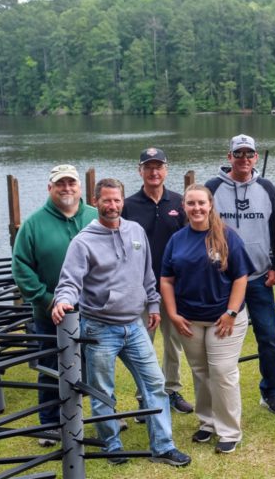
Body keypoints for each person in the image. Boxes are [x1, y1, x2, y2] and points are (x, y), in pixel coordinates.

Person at [52, 178, 191, 467]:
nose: (112, 205)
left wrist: (152, 303)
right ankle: (112, 446)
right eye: (106, 200)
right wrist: (63, 301)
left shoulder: (135, 231)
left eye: (117, 200)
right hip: (100, 327)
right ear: (95, 201)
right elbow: (69, 281)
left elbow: (147, 276)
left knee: (155, 383)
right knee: (104, 391)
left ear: (123, 201)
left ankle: (163, 446)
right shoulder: (83, 241)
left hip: (135, 324)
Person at [159, 184, 255, 454]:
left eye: (201, 203)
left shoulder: (227, 237)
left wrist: (231, 313)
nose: (197, 208)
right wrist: (173, 314)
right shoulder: (177, 239)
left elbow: (240, 277)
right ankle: (207, 422)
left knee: (222, 372)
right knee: (201, 373)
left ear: (210, 204)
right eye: (191, 203)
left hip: (224, 319)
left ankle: (229, 430)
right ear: (185, 207)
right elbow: (166, 279)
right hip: (189, 320)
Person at [11, 164, 97, 447]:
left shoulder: (95, 218)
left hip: (93, 311)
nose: (67, 188)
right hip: (51, 314)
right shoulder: (33, 224)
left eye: (71, 183)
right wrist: (47, 300)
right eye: (60, 184)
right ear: (50, 188)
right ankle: (49, 423)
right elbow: (21, 266)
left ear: (79, 187)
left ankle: (88, 416)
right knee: (51, 365)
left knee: (93, 364)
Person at [205, 134, 275, 414]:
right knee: (221, 340)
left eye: (249, 154)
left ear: (256, 157)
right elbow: (203, 229)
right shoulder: (212, 188)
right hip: (225, 280)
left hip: (261, 278)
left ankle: (270, 391)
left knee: (268, 337)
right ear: (229, 157)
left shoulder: (266, 188)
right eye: (238, 154)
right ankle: (220, 396)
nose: (244, 159)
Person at [122, 147, 193, 417]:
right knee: (142, 344)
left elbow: (190, 241)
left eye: (158, 167)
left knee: (173, 342)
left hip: (174, 287)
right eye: (148, 167)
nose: (154, 172)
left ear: (166, 169)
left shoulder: (178, 203)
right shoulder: (128, 205)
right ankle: (144, 396)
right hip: (140, 288)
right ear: (140, 170)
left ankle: (172, 389)